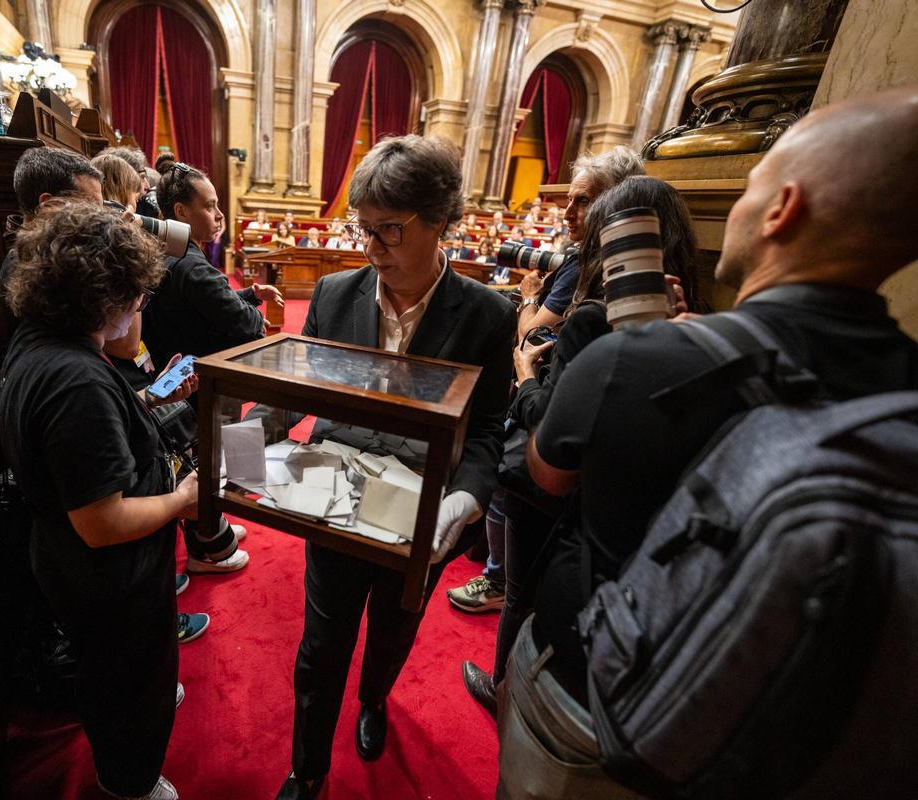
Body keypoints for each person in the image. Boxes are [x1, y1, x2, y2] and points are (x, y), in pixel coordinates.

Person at [498, 85, 918, 799]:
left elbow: (545, 475)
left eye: (752, 185)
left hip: (594, 689)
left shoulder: (629, 358)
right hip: (764, 730)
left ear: (783, 208)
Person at [269, 135, 516, 800]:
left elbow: (491, 425)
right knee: (321, 647)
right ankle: (307, 769)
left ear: (441, 222)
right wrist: (259, 440)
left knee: (392, 632)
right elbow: (307, 393)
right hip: (335, 502)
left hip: (425, 513)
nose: (372, 249)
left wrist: (466, 500)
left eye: (390, 231)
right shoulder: (333, 293)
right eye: (364, 229)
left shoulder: (490, 314)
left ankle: (375, 699)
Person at [461, 176, 699, 707]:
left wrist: (525, 373)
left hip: (556, 498)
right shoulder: (692, 317)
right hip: (628, 509)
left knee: (521, 597)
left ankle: (504, 692)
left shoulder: (590, 317)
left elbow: (546, 433)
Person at [0, 201, 197, 800]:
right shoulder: (78, 379)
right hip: (108, 574)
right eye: (136, 298)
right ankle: (129, 782)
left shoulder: (41, 342)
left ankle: (138, 714)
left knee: (113, 670)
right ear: (104, 299)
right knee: (130, 685)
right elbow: (103, 521)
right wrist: (182, 498)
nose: (140, 309)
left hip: (72, 567)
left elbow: (79, 444)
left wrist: (147, 402)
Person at [141, 161, 280, 572]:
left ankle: (210, 523)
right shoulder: (192, 264)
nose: (219, 215)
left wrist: (247, 296)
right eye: (211, 205)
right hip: (200, 381)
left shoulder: (172, 251)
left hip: (180, 373)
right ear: (181, 211)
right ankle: (207, 544)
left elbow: (215, 306)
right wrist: (251, 307)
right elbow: (246, 326)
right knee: (205, 458)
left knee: (197, 457)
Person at [515, 146, 644, 341]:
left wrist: (530, 296)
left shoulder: (583, 264)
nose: (567, 214)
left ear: (614, 204)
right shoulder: (631, 252)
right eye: (569, 199)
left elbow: (530, 336)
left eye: (583, 201)